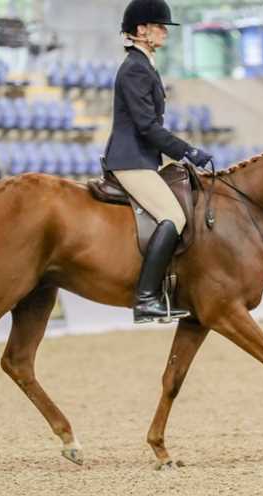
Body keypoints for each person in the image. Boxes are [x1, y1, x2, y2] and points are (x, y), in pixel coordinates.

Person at [104, 0, 213, 324]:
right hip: (131, 159)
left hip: (144, 157)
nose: (165, 32)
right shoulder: (135, 68)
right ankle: (147, 298)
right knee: (173, 217)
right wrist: (187, 151)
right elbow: (147, 126)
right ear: (141, 31)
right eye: (159, 26)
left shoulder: (145, 64)